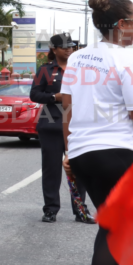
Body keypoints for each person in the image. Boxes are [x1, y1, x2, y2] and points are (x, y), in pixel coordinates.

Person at [61, 0, 133, 265]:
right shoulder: (128, 59)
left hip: (85, 153)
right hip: (116, 153)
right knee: (116, 231)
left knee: (112, 228)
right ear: (122, 26)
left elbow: (67, 109)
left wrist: (69, 154)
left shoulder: (79, 57)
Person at [30, 32, 93, 223]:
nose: (68, 49)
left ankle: (80, 210)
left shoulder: (82, 70)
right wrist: (54, 97)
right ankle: (50, 210)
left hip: (77, 126)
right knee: (51, 170)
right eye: (64, 46)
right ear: (54, 49)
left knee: (79, 168)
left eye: (71, 46)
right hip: (52, 125)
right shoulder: (45, 70)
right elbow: (34, 94)